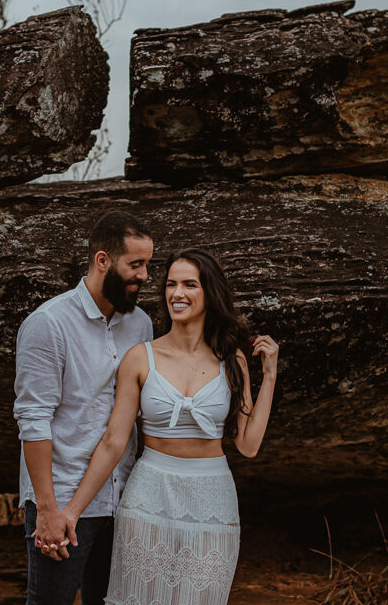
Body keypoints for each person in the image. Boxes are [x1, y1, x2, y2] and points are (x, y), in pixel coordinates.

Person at [62, 248, 279, 605]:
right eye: (171, 285)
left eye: (189, 284)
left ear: (209, 292)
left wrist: (269, 375)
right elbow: (113, 443)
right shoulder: (140, 357)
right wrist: (72, 511)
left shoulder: (232, 359)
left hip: (213, 499)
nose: (177, 294)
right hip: (149, 494)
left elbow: (249, 445)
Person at [13, 211, 155, 605]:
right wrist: (47, 510)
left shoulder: (141, 325)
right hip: (61, 501)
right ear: (103, 261)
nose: (144, 276)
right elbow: (33, 419)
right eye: (136, 264)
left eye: (148, 265)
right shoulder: (49, 324)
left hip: (123, 500)